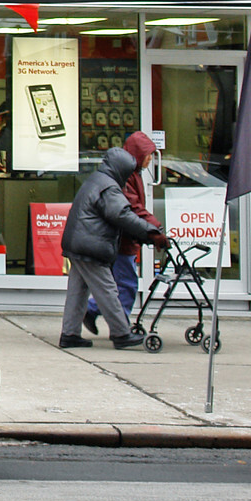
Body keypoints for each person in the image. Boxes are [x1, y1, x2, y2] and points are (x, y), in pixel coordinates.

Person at [58, 141, 170, 350]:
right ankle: (121, 333)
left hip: (77, 242)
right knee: (108, 290)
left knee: (78, 291)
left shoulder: (97, 180)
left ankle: (70, 334)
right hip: (91, 245)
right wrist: (151, 233)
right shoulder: (109, 188)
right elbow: (123, 215)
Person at [84, 131, 162, 334]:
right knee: (125, 284)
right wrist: (153, 228)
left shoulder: (131, 175)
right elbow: (132, 208)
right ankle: (120, 325)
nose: (150, 160)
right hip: (123, 241)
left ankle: (96, 311)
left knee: (116, 284)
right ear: (138, 155)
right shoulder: (127, 177)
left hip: (122, 239)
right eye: (148, 155)